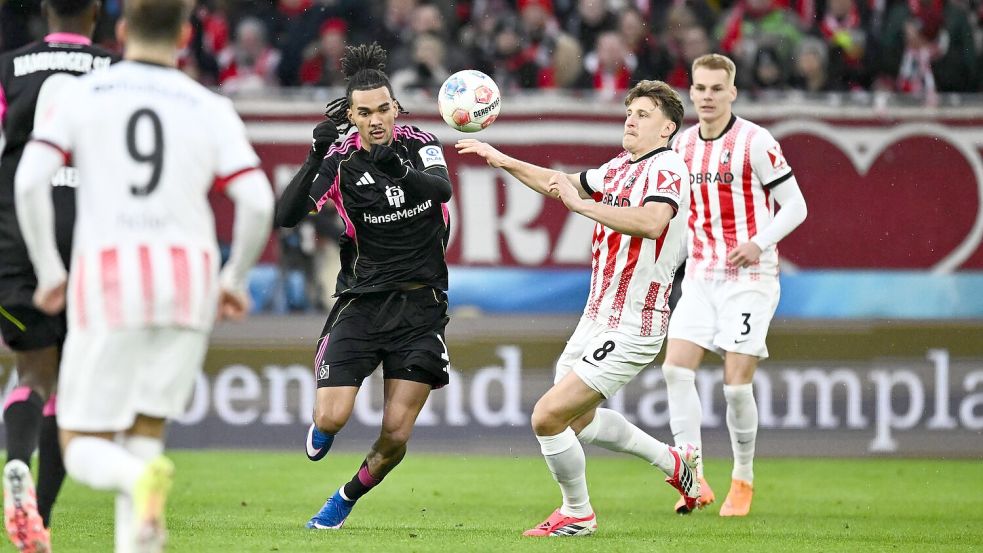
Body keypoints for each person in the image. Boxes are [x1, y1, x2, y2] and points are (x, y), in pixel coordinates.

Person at [13, 0, 274, 551]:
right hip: (189, 282)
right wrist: (235, 279)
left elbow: (30, 179)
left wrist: (48, 269)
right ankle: (141, 505)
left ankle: (132, 478)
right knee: (146, 434)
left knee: (81, 442)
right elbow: (255, 199)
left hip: (108, 278)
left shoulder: (80, 94)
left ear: (124, 30)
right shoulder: (208, 104)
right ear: (184, 34)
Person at [456, 79, 700, 537]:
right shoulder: (620, 167)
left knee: (547, 416)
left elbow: (651, 222)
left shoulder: (667, 169)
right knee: (578, 422)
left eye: (643, 114)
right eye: (630, 112)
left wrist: (582, 207)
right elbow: (560, 185)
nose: (631, 119)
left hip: (635, 322)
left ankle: (578, 514)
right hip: (596, 318)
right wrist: (502, 159)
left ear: (667, 128)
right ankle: (673, 461)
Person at [274, 42, 453, 530]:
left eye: (383, 109)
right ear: (350, 116)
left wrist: (398, 167)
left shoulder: (421, 143)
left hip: (422, 308)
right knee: (331, 419)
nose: (376, 120)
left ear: (396, 107)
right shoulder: (339, 161)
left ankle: (344, 498)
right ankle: (323, 424)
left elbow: (441, 190)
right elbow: (285, 217)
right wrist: (313, 156)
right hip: (363, 302)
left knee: (395, 437)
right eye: (365, 112)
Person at [662, 53, 808, 516]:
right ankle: (693, 476)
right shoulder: (682, 147)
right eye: (699, 88)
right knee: (674, 369)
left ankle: (742, 478)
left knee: (735, 385)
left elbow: (796, 206)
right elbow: (682, 218)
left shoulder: (755, 142)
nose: (706, 97)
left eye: (715, 89)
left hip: (750, 278)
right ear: (691, 92)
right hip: (703, 275)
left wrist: (759, 243)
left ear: (732, 92)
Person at [0, 1, 117, 550]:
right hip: (91, 233)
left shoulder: (10, 67)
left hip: (21, 233)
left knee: (30, 373)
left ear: (44, 10)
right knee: (69, 390)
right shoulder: (118, 72)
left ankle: (17, 463)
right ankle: (38, 514)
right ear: (96, 12)